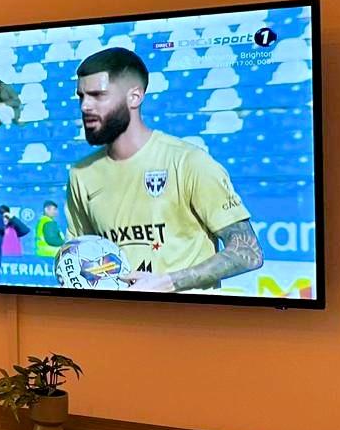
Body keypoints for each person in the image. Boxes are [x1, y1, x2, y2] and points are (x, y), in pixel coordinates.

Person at [64, 47, 262, 292]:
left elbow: (248, 253)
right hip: (117, 314)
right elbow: (81, 255)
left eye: (97, 95)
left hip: (187, 315)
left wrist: (168, 282)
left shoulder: (189, 162)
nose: (85, 106)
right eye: (81, 96)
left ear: (134, 97)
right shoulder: (81, 174)